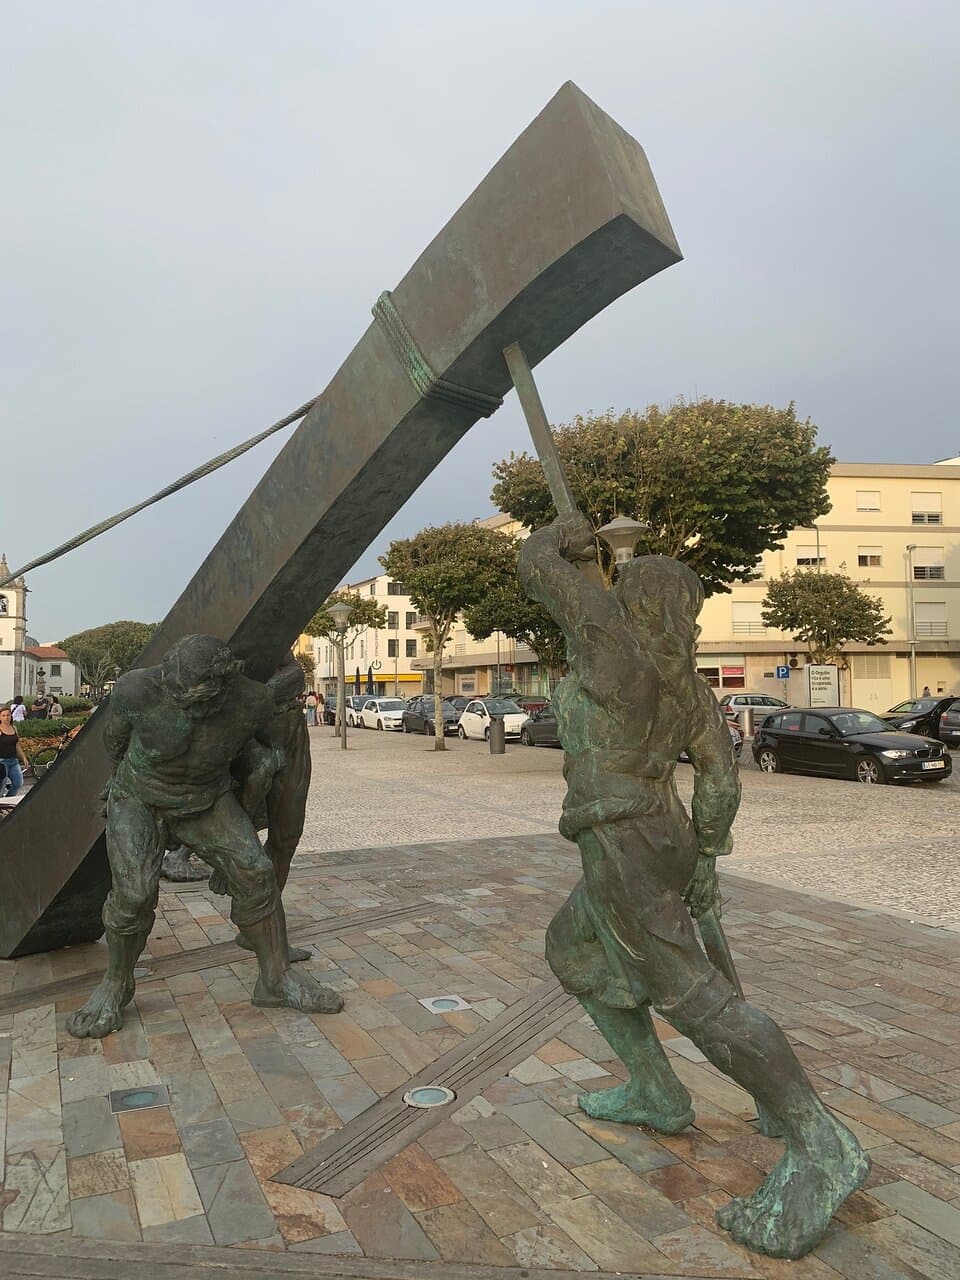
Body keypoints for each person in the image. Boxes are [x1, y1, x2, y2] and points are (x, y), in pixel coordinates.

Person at [518, 512, 868, 1260]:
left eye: (621, 590)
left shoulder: (616, 653)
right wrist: (704, 856)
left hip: (623, 841)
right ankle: (656, 1090)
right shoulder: (686, 685)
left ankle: (821, 1143)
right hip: (664, 833)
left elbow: (540, 573)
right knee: (572, 949)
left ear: (634, 604)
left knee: (698, 1001)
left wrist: (558, 540)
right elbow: (719, 777)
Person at [66, 634, 342, 1040]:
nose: (195, 711)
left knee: (256, 871)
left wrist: (244, 824)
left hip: (206, 799)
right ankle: (115, 983)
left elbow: (266, 733)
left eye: (204, 703)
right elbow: (115, 745)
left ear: (225, 685)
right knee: (134, 895)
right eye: (185, 701)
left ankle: (276, 979)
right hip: (140, 797)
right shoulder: (135, 690)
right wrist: (119, 789)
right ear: (167, 678)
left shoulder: (249, 701)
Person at [0, 706, 29, 797]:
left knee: (18, 783)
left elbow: (17, 745)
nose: (6, 717)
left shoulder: (14, 728)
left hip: (13, 761)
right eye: (3, 715)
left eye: (8, 715)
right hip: (2, 762)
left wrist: (24, 757)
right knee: (1, 788)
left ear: (11, 716)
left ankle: (7, 800)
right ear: (0, 718)